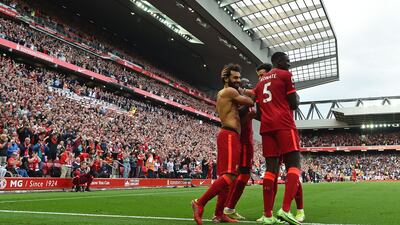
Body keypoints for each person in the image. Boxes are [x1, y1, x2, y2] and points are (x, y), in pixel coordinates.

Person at [191, 64, 254, 225]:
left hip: (231, 135)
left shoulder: (228, 94)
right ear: (226, 78)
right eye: (235, 77)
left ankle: (219, 214)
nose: (238, 81)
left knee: (228, 178)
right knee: (230, 176)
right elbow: (248, 101)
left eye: (239, 78)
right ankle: (200, 203)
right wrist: (249, 92)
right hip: (228, 135)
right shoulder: (230, 91)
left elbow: (241, 113)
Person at [253, 52, 302, 225]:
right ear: (278, 61)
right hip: (284, 124)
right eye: (287, 61)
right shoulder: (285, 75)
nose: (289, 64)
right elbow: (294, 103)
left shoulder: (259, 83)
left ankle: (267, 215)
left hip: (266, 128)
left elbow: (258, 113)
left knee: (271, 169)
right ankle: (286, 209)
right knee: (294, 165)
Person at [223, 77, 259, 220]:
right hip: (243, 142)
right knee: (243, 175)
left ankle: (227, 207)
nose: (249, 88)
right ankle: (228, 207)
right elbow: (238, 124)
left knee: (237, 176)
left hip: (247, 142)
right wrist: (250, 116)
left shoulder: (244, 102)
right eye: (246, 85)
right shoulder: (238, 104)